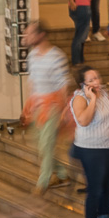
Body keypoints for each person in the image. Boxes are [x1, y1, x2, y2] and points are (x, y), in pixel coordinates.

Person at [69, 65, 109, 218]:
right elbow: (84, 121)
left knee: (108, 186)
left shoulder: (104, 94)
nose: (97, 82)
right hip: (90, 150)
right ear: (82, 84)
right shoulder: (80, 98)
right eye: (91, 80)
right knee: (95, 189)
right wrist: (92, 98)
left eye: (97, 77)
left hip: (108, 148)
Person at [22, 24, 72, 194]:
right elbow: (32, 80)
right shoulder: (32, 55)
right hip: (38, 105)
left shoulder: (56, 56)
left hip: (53, 106)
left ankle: (43, 182)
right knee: (41, 145)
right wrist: (30, 104)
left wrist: (62, 111)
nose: (26, 37)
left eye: (29, 34)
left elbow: (64, 84)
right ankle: (62, 174)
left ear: (41, 35)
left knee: (46, 143)